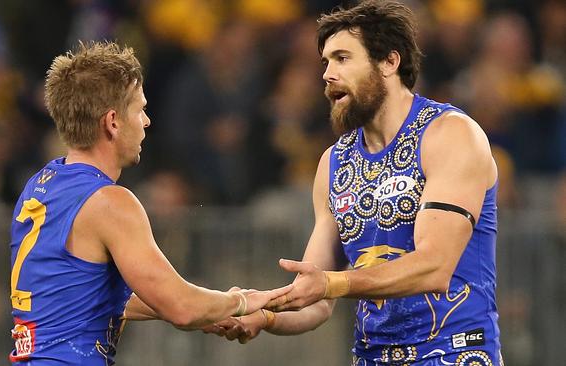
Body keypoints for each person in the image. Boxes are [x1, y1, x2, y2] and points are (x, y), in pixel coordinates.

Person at [209, 1, 503, 365]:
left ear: (389, 62)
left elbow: (435, 266)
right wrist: (265, 313)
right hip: (370, 357)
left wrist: (331, 283)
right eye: (326, 62)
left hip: (454, 353)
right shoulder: (333, 163)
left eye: (343, 58)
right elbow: (315, 301)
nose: (328, 74)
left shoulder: (450, 134)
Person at [8, 41, 291, 365]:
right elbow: (182, 307)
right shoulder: (109, 203)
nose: (146, 121)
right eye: (139, 109)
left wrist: (209, 309)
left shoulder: (40, 185)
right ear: (113, 121)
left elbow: (84, 296)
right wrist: (242, 301)